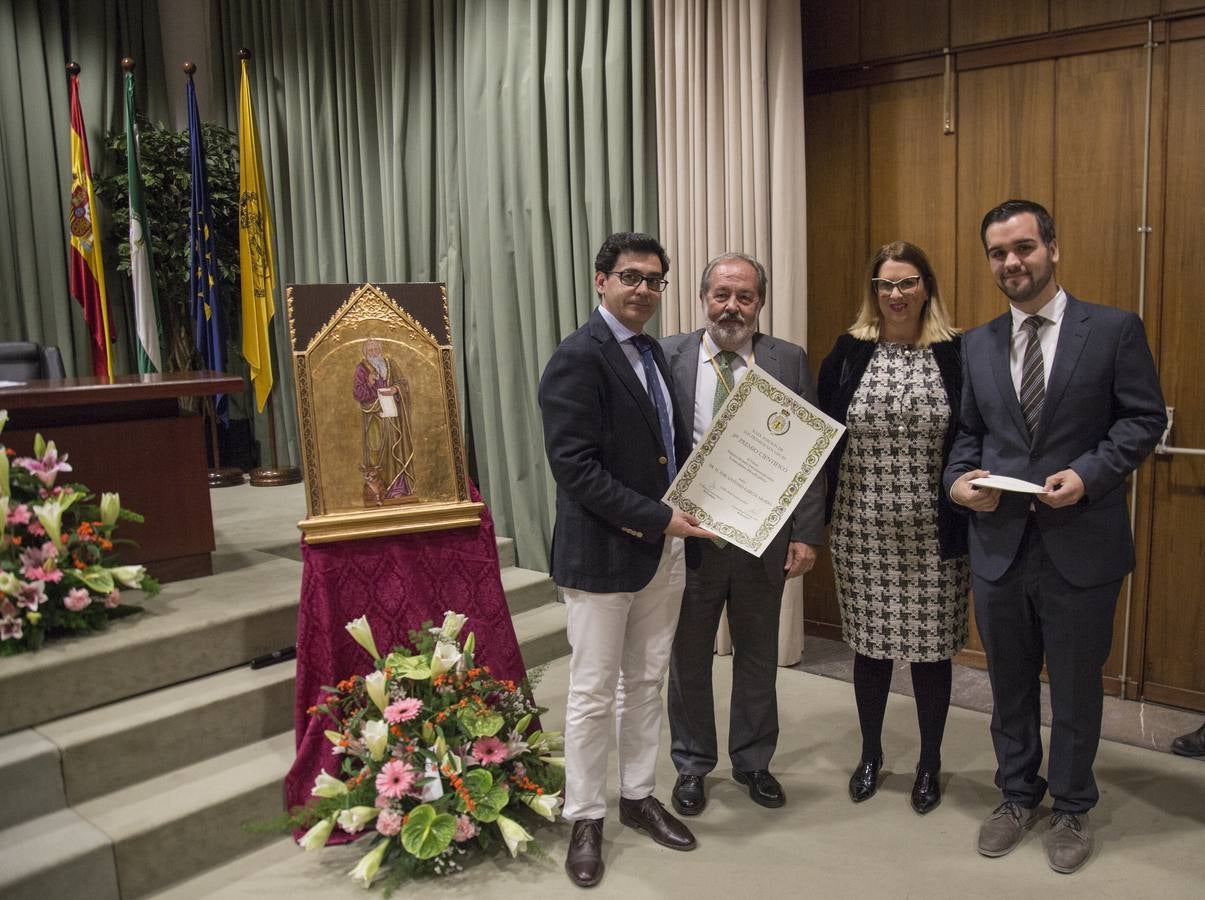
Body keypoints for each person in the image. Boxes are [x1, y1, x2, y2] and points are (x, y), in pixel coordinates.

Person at [945, 199, 1166, 874]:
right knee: (1007, 682)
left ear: (1051, 249)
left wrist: (1088, 474)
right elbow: (967, 434)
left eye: (1023, 248)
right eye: (997, 252)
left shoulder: (1112, 331)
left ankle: (1071, 804)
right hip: (1000, 545)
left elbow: (1140, 420)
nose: (1011, 262)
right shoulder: (976, 343)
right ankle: (1015, 794)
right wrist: (957, 483)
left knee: (1074, 685)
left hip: (1081, 543)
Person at [539, 232, 712, 888]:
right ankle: (585, 816)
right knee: (589, 692)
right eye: (631, 276)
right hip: (603, 553)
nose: (643, 289)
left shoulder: (653, 355)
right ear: (600, 281)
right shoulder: (577, 358)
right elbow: (574, 469)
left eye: (654, 280)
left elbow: (666, 452)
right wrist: (660, 517)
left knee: (645, 682)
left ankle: (638, 797)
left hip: (662, 552)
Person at [661, 252, 826, 817]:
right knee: (688, 658)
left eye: (745, 296)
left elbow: (810, 451)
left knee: (757, 654)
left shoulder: (789, 360)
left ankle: (754, 761)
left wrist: (806, 533)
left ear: (760, 303)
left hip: (764, 539)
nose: (732, 306)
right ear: (704, 298)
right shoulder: (668, 357)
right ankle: (691, 764)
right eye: (722, 294)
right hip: (691, 537)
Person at [817, 241, 969, 817]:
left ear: (925, 287)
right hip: (862, 528)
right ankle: (871, 754)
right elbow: (821, 434)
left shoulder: (957, 353)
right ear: (873, 292)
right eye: (886, 285)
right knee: (871, 650)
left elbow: (975, 432)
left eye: (907, 283)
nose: (896, 295)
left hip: (936, 534)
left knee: (932, 656)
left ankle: (929, 762)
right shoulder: (850, 351)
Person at [352, 338, 416, 504]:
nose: (374, 352)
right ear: (365, 353)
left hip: (393, 418)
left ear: (380, 350)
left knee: (395, 452)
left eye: (376, 349)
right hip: (375, 418)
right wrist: (369, 382)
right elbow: (358, 393)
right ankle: (378, 491)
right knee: (377, 452)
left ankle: (398, 489)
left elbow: (403, 383)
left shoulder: (390, 364)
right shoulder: (362, 368)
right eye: (370, 350)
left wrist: (395, 389)